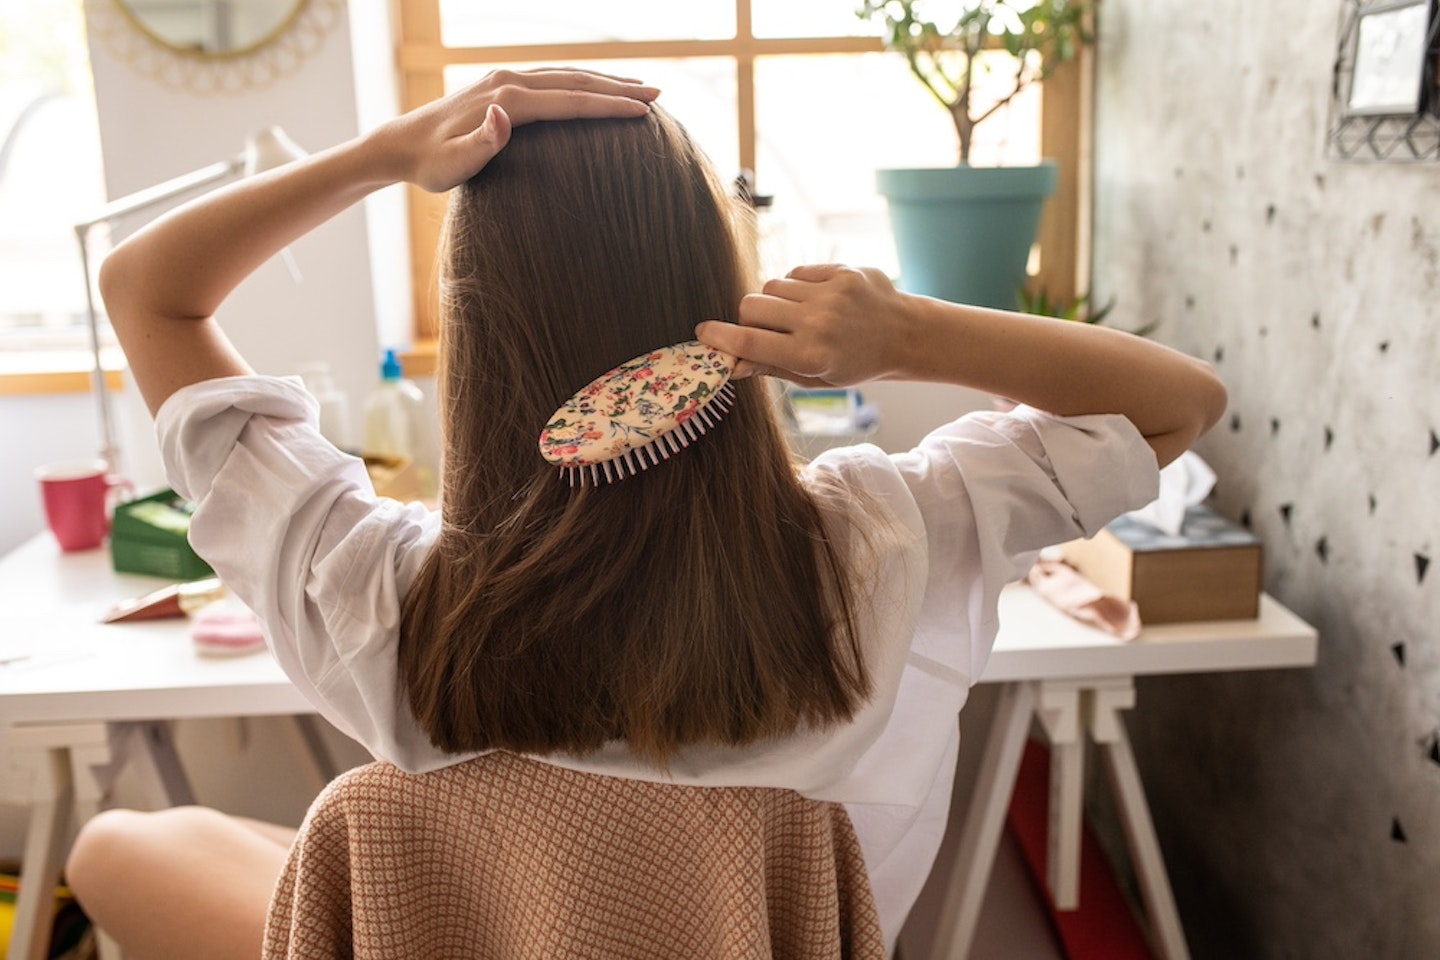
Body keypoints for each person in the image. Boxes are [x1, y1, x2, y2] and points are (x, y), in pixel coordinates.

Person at [65, 68, 1226, 960]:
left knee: (129, 845)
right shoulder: (893, 540)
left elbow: (146, 290)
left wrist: (380, 156)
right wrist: (911, 333)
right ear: (720, 287)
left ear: (472, 332)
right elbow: (1181, 405)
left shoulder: (375, 593)